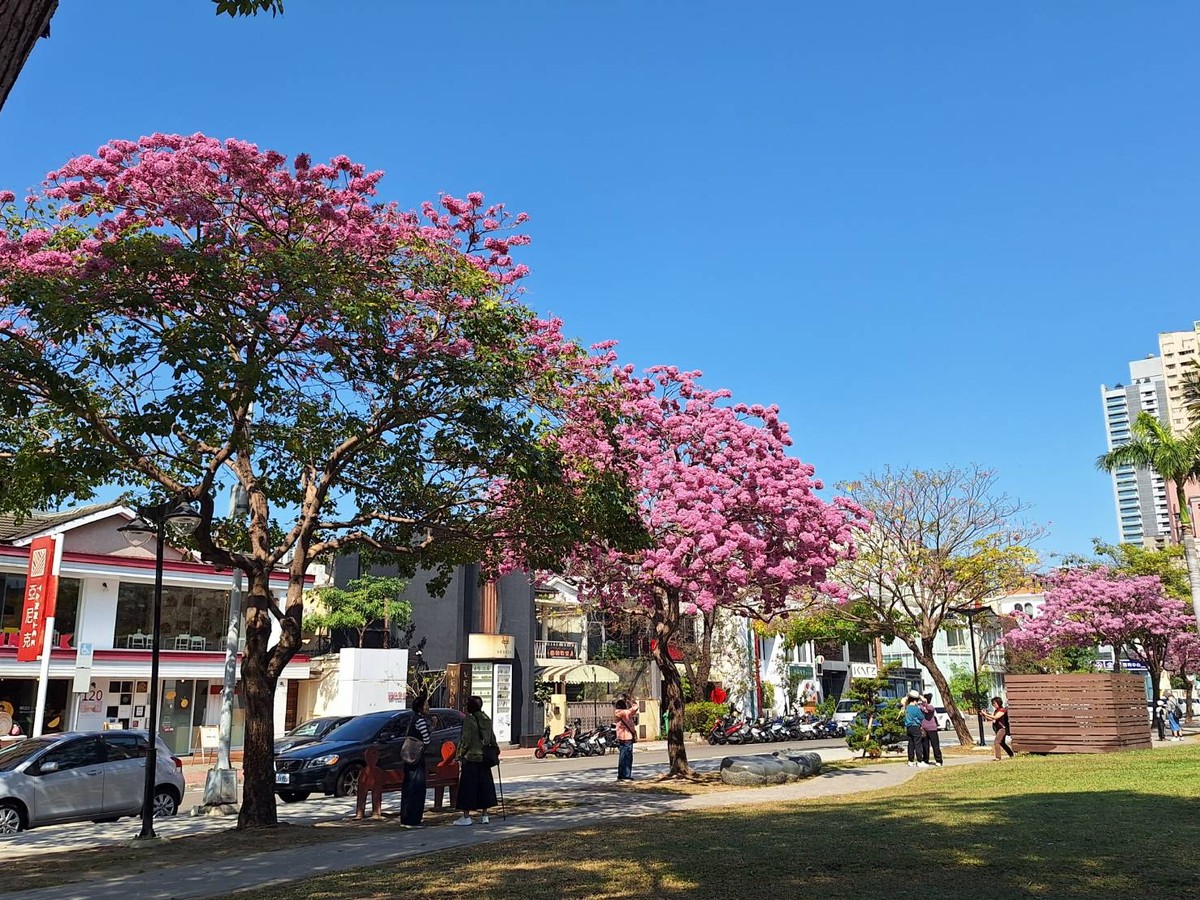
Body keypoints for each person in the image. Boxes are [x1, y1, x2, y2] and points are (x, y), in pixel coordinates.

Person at [454, 695, 499, 826]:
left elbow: (465, 740)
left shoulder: (469, 720)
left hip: (471, 757)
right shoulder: (486, 719)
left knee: (468, 787)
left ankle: (466, 816)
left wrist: (459, 754)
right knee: (484, 786)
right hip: (484, 758)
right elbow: (492, 738)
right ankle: (485, 815)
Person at [400, 693, 432, 827]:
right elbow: (427, 740)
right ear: (421, 707)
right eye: (426, 704)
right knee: (417, 788)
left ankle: (406, 818)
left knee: (408, 787)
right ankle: (414, 819)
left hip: (409, 757)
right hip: (418, 757)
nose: (428, 707)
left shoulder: (412, 719)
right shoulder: (421, 721)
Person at [614, 698, 638, 781]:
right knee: (628, 757)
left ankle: (620, 774)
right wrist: (631, 700)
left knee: (622, 756)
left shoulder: (617, 713)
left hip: (620, 737)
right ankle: (627, 775)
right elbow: (635, 707)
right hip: (627, 737)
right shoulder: (626, 713)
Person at [917, 692, 943, 767]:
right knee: (925, 746)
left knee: (935, 745)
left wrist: (925, 702)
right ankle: (925, 760)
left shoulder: (931, 707)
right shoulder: (920, 706)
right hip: (924, 729)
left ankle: (938, 760)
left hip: (932, 729)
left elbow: (929, 709)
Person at [903, 690, 926, 767]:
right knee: (918, 744)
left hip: (908, 727)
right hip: (915, 726)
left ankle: (910, 760)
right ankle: (919, 761)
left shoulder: (907, 708)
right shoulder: (915, 708)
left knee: (911, 744)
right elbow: (921, 717)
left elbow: (903, 701)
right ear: (915, 700)